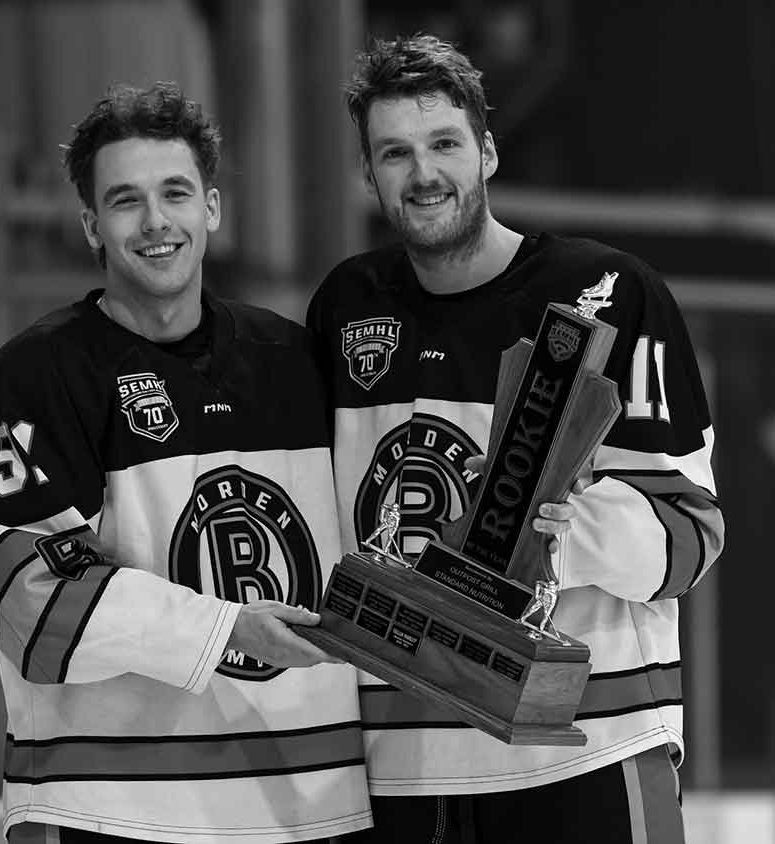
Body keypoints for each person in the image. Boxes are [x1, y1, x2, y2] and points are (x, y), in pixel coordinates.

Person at [307, 35, 724, 844]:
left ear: (488, 152)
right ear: (368, 175)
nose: (422, 173)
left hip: (588, 747)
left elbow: (693, 524)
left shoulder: (608, 294)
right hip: (405, 766)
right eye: (394, 153)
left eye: (444, 145)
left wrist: (568, 540)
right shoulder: (345, 308)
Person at [0, 82, 373, 844]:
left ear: (211, 207)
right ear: (90, 225)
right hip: (110, 814)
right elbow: (29, 605)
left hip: (309, 812)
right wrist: (227, 629)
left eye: (176, 193)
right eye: (125, 201)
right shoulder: (39, 377)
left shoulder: (297, 364)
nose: (156, 223)